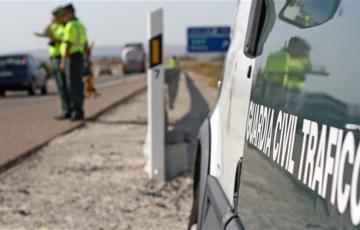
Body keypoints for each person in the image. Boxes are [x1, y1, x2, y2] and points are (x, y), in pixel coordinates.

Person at [60, 4, 89, 121]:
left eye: (65, 14)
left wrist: (63, 61)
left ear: (70, 13)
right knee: (78, 85)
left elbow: (68, 44)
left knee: (72, 86)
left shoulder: (71, 26)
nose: (64, 17)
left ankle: (76, 111)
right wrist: (87, 58)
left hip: (72, 57)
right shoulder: (81, 26)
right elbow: (86, 44)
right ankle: (79, 110)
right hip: (80, 57)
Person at [43, 7, 71, 120]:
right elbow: (45, 32)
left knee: (64, 86)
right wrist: (51, 23)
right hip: (54, 58)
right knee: (60, 86)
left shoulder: (64, 27)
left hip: (61, 58)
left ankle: (67, 110)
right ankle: (66, 109)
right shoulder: (55, 26)